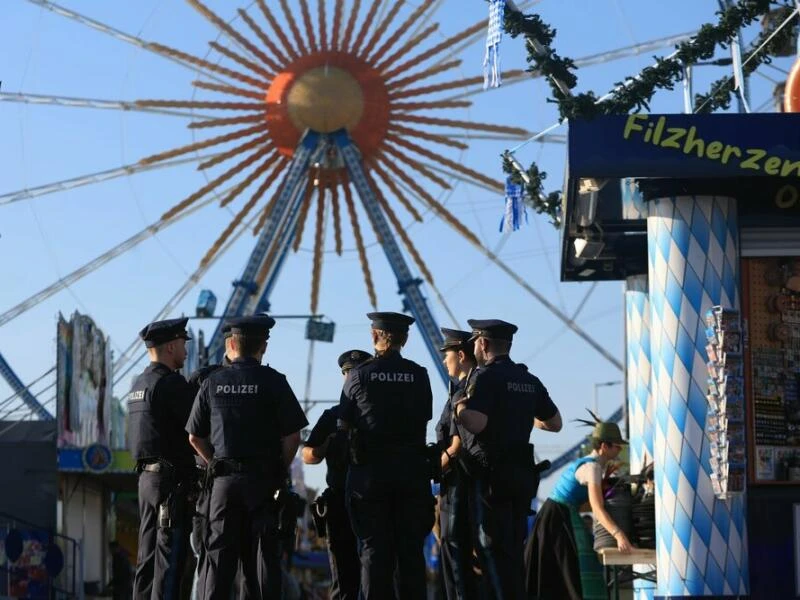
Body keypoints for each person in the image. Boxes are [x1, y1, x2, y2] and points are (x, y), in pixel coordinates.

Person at [186, 315, 308, 600]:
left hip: (223, 485)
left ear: (230, 344)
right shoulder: (274, 381)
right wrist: (279, 468)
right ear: (263, 347)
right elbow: (293, 436)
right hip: (262, 483)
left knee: (217, 560)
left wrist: (214, 462)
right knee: (263, 558)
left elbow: (194, 436)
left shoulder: (212, 382)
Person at [455, 319, 562, 600]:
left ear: (483, 343)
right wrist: (521, 415)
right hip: (522, 477)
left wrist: (460, 406)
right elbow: (554, 423)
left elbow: (476, 423)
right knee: (514, 551)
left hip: (492, 477)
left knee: (491, 552)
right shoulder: (528, 380)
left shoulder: (485, 377)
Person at [338, 312, 435, 600]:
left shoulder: (358, 375)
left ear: (374, 337)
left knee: (373, 551)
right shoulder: (419, 375)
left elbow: (343, 424)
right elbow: (424, 417)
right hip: (412, 473)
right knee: (410, 552)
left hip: (369, 475)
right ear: (404, 339)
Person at [127, 317, 196, 600]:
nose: (185, 350)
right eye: (182, 343)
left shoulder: (137, 384)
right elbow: (199, 427)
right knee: (171, 557)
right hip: (171, 484)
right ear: (170, 347)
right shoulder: (170, 385)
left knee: (147, 556)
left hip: (146, 480)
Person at [525, 422, 633, 600]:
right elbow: (597, 509)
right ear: (604, 446)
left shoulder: (587, 465)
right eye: (617, 447)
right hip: (557, 520)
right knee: (569, 573)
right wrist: (619, 534)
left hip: (556, 516)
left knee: (561, 575)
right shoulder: (593, 468)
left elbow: (585, 505)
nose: (619, 451)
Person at [302, 349, 371, 600]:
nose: (351, 378)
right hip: (340, 500)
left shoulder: (376, 416)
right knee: (342, 575)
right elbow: (308, 454)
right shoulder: (332, 417)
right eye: (348, 374)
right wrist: (324, 446)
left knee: (375, 573)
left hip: (371, 500)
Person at [437, 328, 478, 600]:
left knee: (455, 555)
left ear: (461, 355)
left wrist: (427, 471)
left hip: (458, 483)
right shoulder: (468, 389)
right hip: (463, 483)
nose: (443, 361)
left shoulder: (463, 394)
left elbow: (456, 446)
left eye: (447, 356)